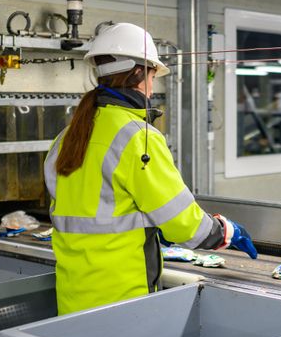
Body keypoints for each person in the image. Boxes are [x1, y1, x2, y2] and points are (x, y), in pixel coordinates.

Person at [44, 22, 257, 315]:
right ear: (138, 73)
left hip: (72, 298)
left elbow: (100, 206)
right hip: (121, 301)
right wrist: (225, 232)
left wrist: (149, 222)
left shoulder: (67, 137)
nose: (153, 86)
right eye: (153, 75)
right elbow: (183, 223)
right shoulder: (136, 137)